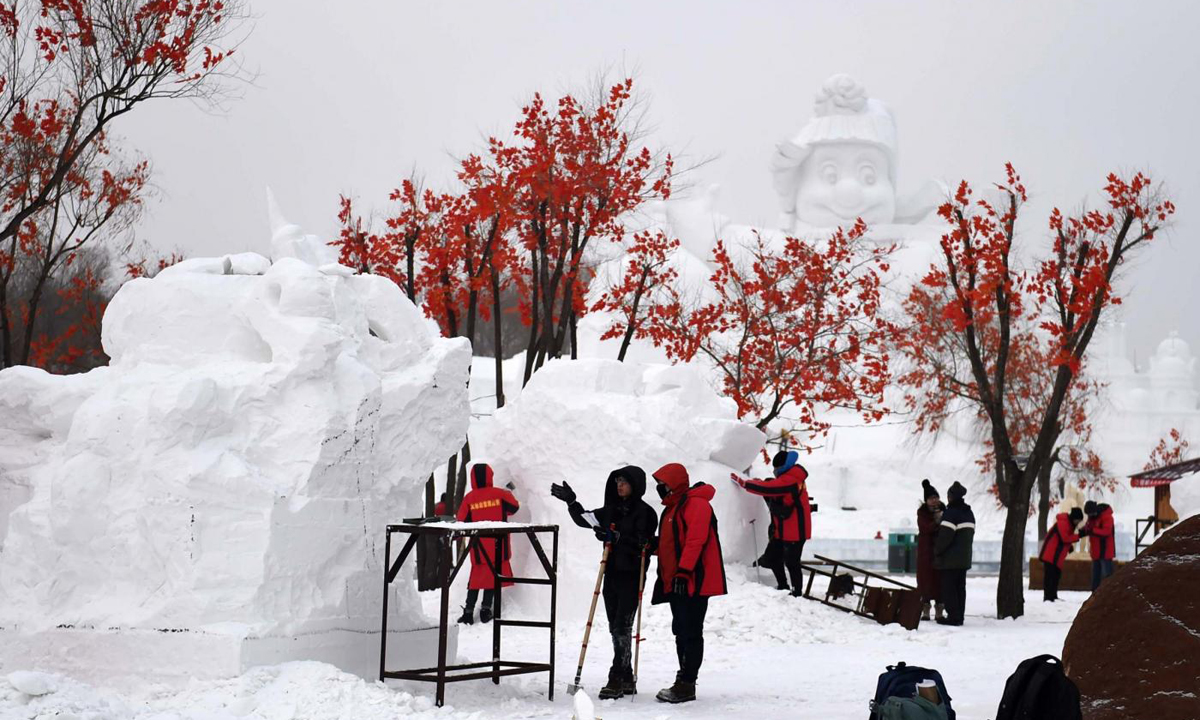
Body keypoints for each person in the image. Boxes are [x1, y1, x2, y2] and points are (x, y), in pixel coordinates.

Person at [550, 466, 658, 700]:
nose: (619, 485)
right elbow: (585, 519)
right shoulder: (611, 510)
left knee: (622, 626)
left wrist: (619, 537)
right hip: (611, 574)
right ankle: (627, 675)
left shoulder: (645, 512)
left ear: (635, 484)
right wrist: (571, 502)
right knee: (615, 627)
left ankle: (616, 677)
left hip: (632, 574)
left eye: (625, 482)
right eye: (617, 481)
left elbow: (646, 542)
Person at [650, 463, 726, 704]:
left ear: (673, 484)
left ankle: (687, 683)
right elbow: (670, 544)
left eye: (662, 485)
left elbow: (695, 540)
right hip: (678, 581)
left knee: (691, 631)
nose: (660, 489)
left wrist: (683, 572)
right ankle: (683, 679)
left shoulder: (696, 505)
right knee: (681, 631)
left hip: (693, 580)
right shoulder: (673, 509)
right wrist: (650, 546)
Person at [730, 450, 812, 595]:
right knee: (773, 557)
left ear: (782, 467)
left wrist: (745, 483)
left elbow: (770, 488)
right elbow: (773, 484)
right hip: (783, 530)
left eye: (776, 469)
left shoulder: (790, 480)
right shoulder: (792, 476)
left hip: (795, 531)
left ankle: (797, 592)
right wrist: (757, 482)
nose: (774, 472)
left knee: (792, 562)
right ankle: (783, 586)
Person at [455, 463, 520, 625]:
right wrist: (508, 492)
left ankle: (469, 612)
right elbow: (514, 508)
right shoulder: (500, 494)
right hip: (499, 546)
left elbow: (461, 521)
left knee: (476, 580)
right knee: (493, 577)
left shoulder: (469, 498)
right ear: (489, 476)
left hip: (479, 548)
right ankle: (485, 610)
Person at [933, 481, 974, 626]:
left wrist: (937, 551)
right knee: (960, 588)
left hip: (951, 559)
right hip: (964, 559)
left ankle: (953, 617)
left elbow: (945, 537)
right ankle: (959, 616)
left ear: (951, 497)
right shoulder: (969, 512)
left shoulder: (951, 513)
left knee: (949, 588)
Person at [1038, 507, 1084, 602]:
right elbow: (1065, 538)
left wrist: (1069, 546)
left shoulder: (1069, 524)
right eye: (1077, 520)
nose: (1078, 523)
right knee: (1050, 576)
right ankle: (1048, 597)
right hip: (1051, 554)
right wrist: (1079, 535)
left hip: (1055, 555)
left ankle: (1053, 596)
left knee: (1056, 575)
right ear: (1073, 518)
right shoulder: (1063, 523)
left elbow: (1064, 538)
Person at [916, 479, 945, 621]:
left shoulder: (945, 510)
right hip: (926, 553)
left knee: (940, 581)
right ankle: (925, 609)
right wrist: (937, 522)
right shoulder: (922, 513)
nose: (934, 501)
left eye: (936, 498)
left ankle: (939, 610)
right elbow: (925, 528)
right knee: (925, 581)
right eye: (931, 498)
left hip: (940, 552)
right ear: (926, 500)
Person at [1082, 500, 1116, 590]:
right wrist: (1083, 531)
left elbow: (1106, 532)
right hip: (1096, 552)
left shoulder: (1107, 517)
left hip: (1105, 551)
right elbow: (1088, 527)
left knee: (1107, 575)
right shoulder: (1092, 517)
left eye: (1090, 514)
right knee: (1095, 576)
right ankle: (1094, 594)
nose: (1089, 516)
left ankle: (1109, 593)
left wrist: (1092, 530)